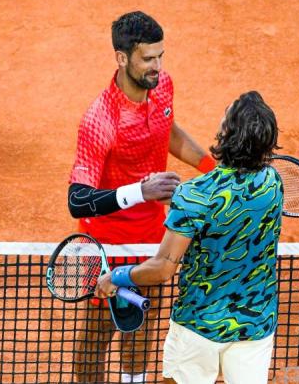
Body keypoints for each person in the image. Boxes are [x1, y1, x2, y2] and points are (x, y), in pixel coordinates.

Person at [68, 11, 216, 383]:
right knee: (100, 329)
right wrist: (141, 191)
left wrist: (211, 168)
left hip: (153, 232)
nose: (157, 66)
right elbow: (78, 198)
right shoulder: (100, 120)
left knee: (143, 319)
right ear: (122, 58)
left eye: (160, 56)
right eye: (148, 59)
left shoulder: (162, 85)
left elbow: (166, 130)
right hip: (107, 242)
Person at [96, 91, 283, 384]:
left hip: (198, 327)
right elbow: (229, 207)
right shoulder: (273, 184)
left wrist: (116, 277)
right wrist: (181, 202)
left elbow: (163, 267)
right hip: (255, 326)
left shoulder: (194, 196)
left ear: (226, 133)